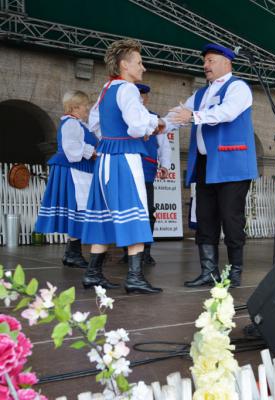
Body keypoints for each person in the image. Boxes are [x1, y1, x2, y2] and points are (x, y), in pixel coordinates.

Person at [169, 43, 257, 288]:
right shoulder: (199, 94)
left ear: (227, 62)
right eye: (205, 61)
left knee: (231, 219)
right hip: (206, 164)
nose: (205, 65)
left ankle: (233, 271)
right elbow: (179, 114)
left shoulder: (238, 87)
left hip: (232, 163)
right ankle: (208, 271)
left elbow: (226, 113)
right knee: (205, 219)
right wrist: (156, 125)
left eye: (210, 60)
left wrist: (194, 116)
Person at [82, 39, 165, 294]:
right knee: (136, 210)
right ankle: (135, 277)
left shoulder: (106, 89)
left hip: (106, 158)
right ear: (124, 64)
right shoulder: (128, 89)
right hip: (125, 158)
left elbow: (94, 123)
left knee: (104, 215)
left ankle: (93, 274)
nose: (144, 68)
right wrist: (155, 124)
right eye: (139, 62)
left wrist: (111, 136)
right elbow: (136, 125)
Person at [35, 90, 97, 268]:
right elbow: (71, 149)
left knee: (78, 208)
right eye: (85, 106)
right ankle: (73, 253)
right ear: (75, 107)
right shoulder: (71, 124)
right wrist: (91, 151)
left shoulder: (79, 124)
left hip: (79, 170)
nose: (87, 109)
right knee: (77, 208)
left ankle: (72, 252)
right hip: (74, 171)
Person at [118, 83, 172, 266]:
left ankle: (145, 252)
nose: (140, 98)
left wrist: (164, 165)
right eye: (137, 95)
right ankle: (128, 252)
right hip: (125, 169)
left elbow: (164, 146)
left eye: (143, 95)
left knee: (148, 212)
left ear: (147, 98)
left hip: (147, 170)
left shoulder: (154, 119)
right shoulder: (122, 118)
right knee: (126, 211)